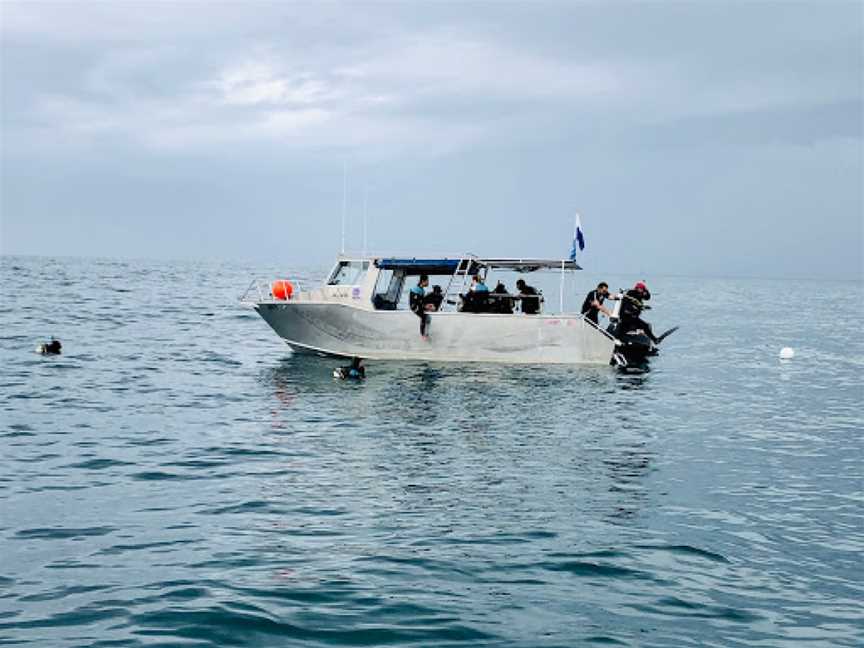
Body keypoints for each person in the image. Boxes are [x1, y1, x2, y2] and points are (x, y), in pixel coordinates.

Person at [409, 274, 430, 339]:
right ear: (423, 281)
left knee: (428, 316)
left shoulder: (422, 290)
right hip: (414, 306)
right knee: (424, 316)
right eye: (427, 281)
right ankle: (422, 334)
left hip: (419, 305)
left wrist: (427, 305)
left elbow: (422, 301)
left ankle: (426, 332)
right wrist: (424, 306)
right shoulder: (415, 289)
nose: (428, 283)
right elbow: (415, 301)